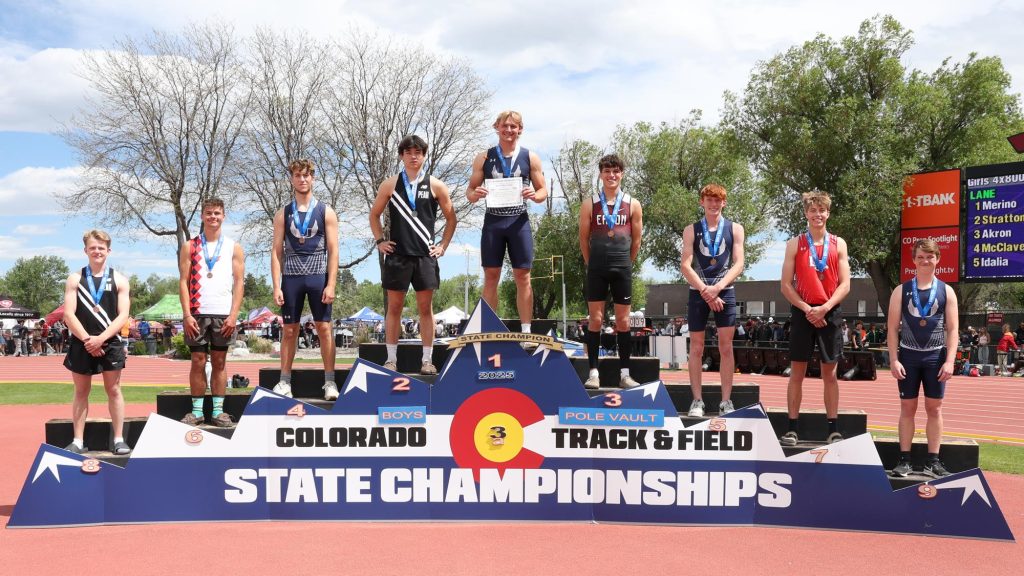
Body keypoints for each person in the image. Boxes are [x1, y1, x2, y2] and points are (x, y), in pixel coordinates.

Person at [370, 134, 456, 374]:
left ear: (424, 155)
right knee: (394, 308)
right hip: (398, 255)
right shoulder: (390, 184)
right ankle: (391, 360)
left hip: (425, 256)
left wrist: (443, 246)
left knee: (425, 309)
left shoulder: (436, 185)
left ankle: (427, 360)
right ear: (401, 156)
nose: (413, 156)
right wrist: (380, 241)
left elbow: (452, 218)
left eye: (418, 152)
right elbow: (374, 215)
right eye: (408, 152)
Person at [779, 190, 851, 446]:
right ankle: (792, 428)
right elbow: (786, 285)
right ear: (806, 213)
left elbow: (845, 285)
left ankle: (833, 428)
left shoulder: (838, 243)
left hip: (829, 311)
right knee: (796, 372)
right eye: (813, 210)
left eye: (822, 210)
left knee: (829, 374)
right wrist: (807, 309)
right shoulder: (794, 244)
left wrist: (825, 308)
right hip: (802, 311)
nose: (817, 215)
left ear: (828, 213)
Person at [466, 110, 548, 332]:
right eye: (505, 126)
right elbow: (470, 192)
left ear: (520, 129)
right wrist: (477, 193)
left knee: (523, 276)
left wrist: (534, 195)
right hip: (493, 222)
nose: (509, 130)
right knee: (491, 276)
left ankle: (526, 330)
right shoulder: (484, 157)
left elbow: (543, 192)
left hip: (518, 222)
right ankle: (489, 328)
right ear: (497, 128)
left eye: (514, 126)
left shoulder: (530, 157)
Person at [887, 239, 959, 478]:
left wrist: (950, 361)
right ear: (914, 260)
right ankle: (904, 460)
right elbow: (892, 329)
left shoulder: (946, 291)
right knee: (907, 408)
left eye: (930, 256)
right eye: (920, 257)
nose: (925, 261)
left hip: (935, 357)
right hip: (908, 356)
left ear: (937, 259)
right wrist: (894, 359)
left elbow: (953, 329)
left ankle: (933, 461)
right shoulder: (901, 290)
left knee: (934, 408)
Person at [271, 159, 340, 400]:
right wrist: (276, 285)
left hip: (317, 275)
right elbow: (276, 251)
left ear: (313, 178)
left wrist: (331, 283)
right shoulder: (283, 213)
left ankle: (330, 382)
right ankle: (284, 382)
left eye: (306, 175)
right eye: (297, 175)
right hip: (291, 278)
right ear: (291, 179)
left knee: (324, 328)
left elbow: (333, 249)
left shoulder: (325, 211)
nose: (302, 179)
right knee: (289, 331)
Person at [62, 230, 131, 455]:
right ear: (86, 250)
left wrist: (101, 339)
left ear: (108, 250)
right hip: (82, 341)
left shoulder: (119, 279)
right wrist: (88, 339)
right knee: (81, 391)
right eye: (93, 247)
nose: (97, 251)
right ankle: (78, 440)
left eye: (101, 248)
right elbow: (68, 315)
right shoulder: (75, 279)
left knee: (114, 390)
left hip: (110, 342)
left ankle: (119, 439)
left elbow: (123, 315)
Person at [679, 183, 745, 416]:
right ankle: (697, 401)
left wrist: (717, 287)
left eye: (718, 200)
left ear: (724, 202)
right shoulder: (691, 230)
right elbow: (685, 265)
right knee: (696, 348)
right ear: (702, 202)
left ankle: (725, 402)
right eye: (709, 200)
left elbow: (739, 263)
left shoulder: (735, 228)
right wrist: (706, 290)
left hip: (724, 289)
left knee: (726, 347)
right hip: (698, 291)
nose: (714, 204)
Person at [178, 197, 245, 427]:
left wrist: (234, 315)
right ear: (202, 216)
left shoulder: (233, 247)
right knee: (197, 360)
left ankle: (218, 411)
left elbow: (239, 283)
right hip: (197, 312)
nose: (213, 217)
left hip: (223, 314)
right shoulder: (191, 246)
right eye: (209, 213)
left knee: (219, 362)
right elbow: (183, 281)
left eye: (217, 213)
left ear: (223, 216)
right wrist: (186, 314)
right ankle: (197, 411)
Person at [578, 154, 643, 389]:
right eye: (607, 171)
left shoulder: (632, 203)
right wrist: (591, 263)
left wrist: (627, 262)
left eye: (616, 171)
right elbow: (583, 239)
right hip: (597, 268)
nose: (611, 175)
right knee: (595, 320)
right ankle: (593, 372)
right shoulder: (590, 203)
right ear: (600, 174)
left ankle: (625, 374)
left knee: (623, 322)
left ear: (622, 174)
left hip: (622, 268)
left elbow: (637, 240)